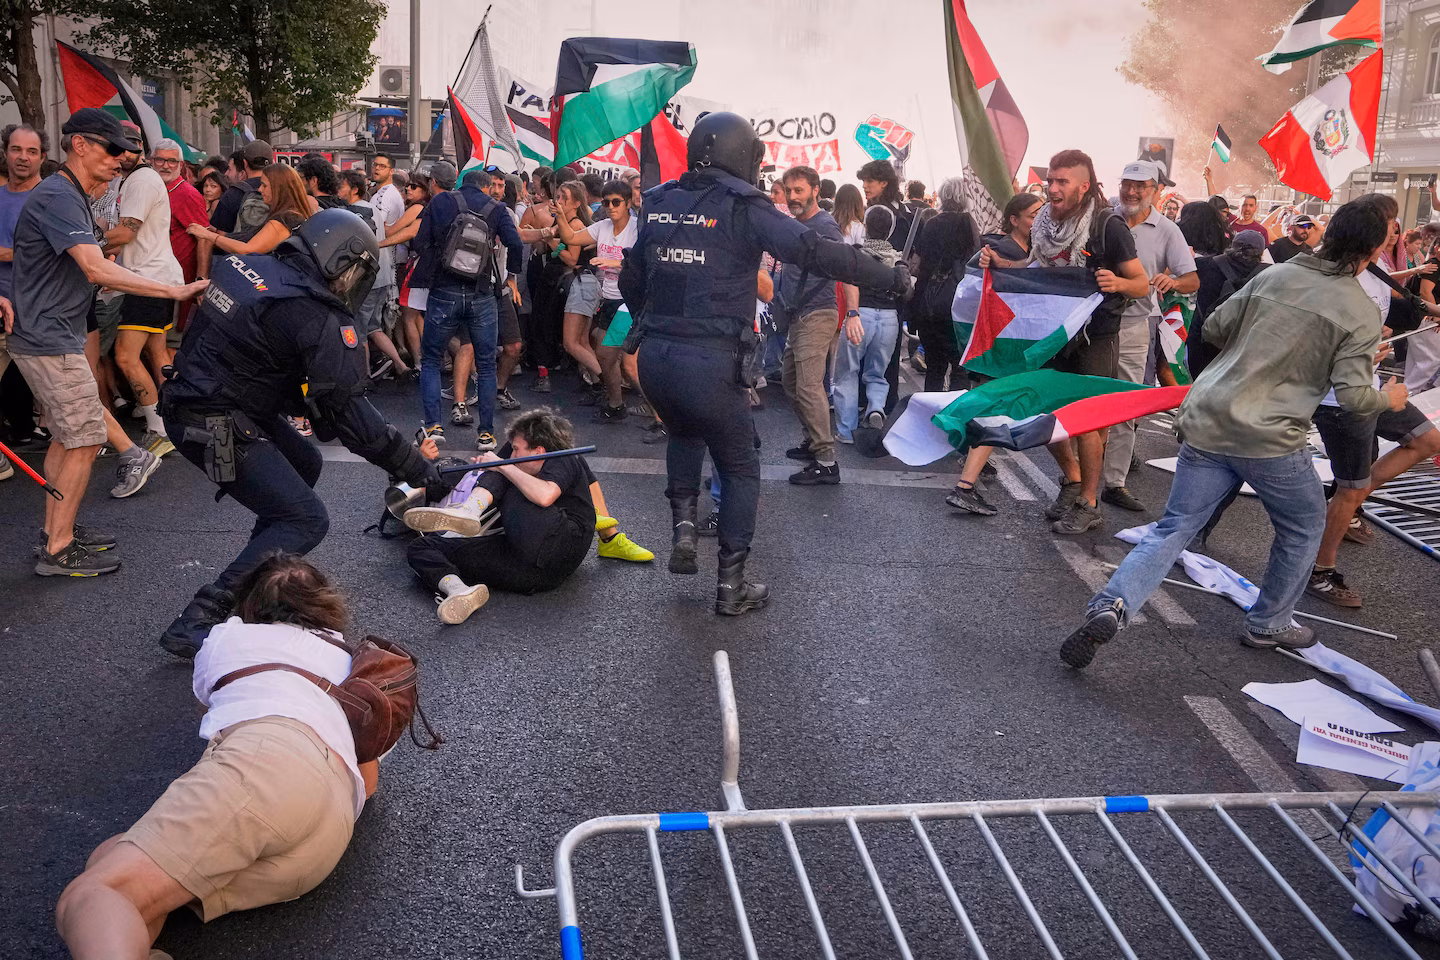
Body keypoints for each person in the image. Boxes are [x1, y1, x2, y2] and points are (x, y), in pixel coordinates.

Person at [1059, 198, 1407, 669]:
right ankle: (1269, 623)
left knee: (1173, 528)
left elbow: (1218, 327)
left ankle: (1111, 605)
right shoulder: (1360, 311)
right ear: (1372, 247)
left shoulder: (1273, 275)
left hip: (1208, 419)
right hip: (1269, 439)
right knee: (1304, 525)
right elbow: (1355, 399)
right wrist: (1392, 398)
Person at [620, 112, 909, 615]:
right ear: (744, 156)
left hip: (656, 359)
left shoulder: (661, 200)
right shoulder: (743, 205)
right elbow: (814, 251)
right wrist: (889, 276)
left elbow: (630, 278)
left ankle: (683, 531)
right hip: (710, 360)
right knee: (740, 464)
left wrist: (654, 322)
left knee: (684, 434)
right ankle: (731, 587)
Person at [56, 555, 380, 958]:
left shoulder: (229, 636)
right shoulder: (352, 660)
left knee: (94, 892)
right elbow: (368, 783)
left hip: (269, 761)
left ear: (247, 606)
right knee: (112, 860)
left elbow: (208, 703)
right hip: (325, 839)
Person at [158, 208, 442, 655]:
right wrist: (414, 466)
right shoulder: (312, 311)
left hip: (208, 402)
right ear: (337, 259)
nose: (350, 282)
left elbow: (262, 358)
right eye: (353, 271)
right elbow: (352, 418)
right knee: (305, 519)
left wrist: (316, 405)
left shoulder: (254, 268)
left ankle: (256, 587)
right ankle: (203, 615)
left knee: (304, 463)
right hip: (212, 420)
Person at [8, 109, 208, 576]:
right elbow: (95, 268)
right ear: (80, 145)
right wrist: (174, 289)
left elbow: (87, 262)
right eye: (112, 149)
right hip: (48, 337)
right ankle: (58, 549)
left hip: (50, 332)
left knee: (67, 436)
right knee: (84, 438)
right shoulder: (59, 194)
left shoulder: (67, 193)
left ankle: (57, 533)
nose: (122, 159)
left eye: (125, 153)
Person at [979, 149, 1149, 535]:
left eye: (1062, 182)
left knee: (1088, 422)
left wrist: (1119, 283)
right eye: (1050, 180)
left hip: (1094, 336)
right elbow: (1035, 267)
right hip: (1053, 333)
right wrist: (1003, 267)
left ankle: (1089, 502)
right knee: (1047, 412)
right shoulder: (1043, 221)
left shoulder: (1108, 225)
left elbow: (1141, 283)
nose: (1052, 188)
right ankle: (1072, 481)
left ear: (1083, 186)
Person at [404, 410, 618, 623]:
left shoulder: (564, 457)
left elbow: (545, 496)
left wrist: (503, 465)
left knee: (506, 469)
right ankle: (457, 589)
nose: (513, 454)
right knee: (421, 547)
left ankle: (469, 511)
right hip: (528, 570)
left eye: (517, 449)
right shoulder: (523, 461)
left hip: (559, 548)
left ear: (538, 450)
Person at [1100, 159, 1198, 513]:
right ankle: (1075, 482)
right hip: (1090, 325)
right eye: (1127, 183)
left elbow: (1192, 278)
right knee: (1086, 397)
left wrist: (1173, 281)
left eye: (1141, 186)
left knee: (1126, 402)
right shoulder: (1102, 216)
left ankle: (1114, 482)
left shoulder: (1168, 229)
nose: (1131, 191)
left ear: (1157, 191)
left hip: (1135, 325)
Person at [409, 168, 524, 452]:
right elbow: (517, 244)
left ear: (462, 185)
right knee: (485, 364)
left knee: (432, 358)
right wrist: (511, 275)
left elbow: (420, 241)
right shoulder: (496, 208)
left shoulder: (441, 202)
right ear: (486, 188)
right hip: (481, 293)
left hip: (444, 291)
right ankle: (485, 434)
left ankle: (434, 426)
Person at [941, 192, 1041, 518]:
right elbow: (971, 292)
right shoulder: (994, 249)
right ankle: (965, 485)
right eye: (1032, 214)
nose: (1038, 220)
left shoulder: (1035, 250)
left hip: (1016, 345)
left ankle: (970, 461)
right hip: (999, 344)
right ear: (1014, 219)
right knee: (995, 408)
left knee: (994, 406)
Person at [102, 141, 190, 458]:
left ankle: (159, 429)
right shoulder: (139, 178)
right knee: (157, 354)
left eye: (117, 150)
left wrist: (82, 243)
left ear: (137, 151)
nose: (112, 155)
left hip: (147, 280)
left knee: (125, 356)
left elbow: (126, 233)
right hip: (156, 277)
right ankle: (173, 421)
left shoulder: (140, 180)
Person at [774, 164, 848, 485]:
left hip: (816, 314)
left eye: (799, 190)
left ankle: (826, 461)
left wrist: (854, 314)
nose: (793, 197)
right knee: (791, 384)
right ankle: (813, 439)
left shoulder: (824, 226)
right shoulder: (796, 223)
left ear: (815, 191)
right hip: (798, 315)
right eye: (789, 191)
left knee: (808, 386)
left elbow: (846, 266)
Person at [553, 178, 637, 423]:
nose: (611, 207)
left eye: (617, 202)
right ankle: (615, 405)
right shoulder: (602, 227)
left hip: (627, 303)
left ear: (628, 203)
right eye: (607, 201)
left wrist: (614, 263)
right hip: (608, 300)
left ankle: (659, 415)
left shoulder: (638, 229)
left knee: (617, 361)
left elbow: (643, 262)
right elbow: (570, 236)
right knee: (607, 358)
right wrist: (560, 215)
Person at [833, 206, 906, 443]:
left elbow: (849, 282)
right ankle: (875, 407)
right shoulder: (897, 259)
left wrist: (852, 312)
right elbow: (907, 291)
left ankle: (846, 430)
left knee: (847, 372)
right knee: (877, 372)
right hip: (888, 319)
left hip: (860, 315)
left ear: (866, 226)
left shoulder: (857, 253)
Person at [0, 123, 47, 479]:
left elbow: (49, 253)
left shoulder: (48, 198)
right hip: (2, 308)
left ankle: (128, 450)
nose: (23, 157)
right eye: (16, 149)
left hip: (37, 311)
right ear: (6, 153)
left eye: (31, 151)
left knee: (66, 394)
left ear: (42, 157)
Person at [912, 177, 986, 394]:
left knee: (934, 366)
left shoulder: (932, 223)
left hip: (929, 301)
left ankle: (929, 412)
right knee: (959, 365)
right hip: (958, 302)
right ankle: (953, 415)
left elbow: (921, 262)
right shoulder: (967, 223)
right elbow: (974, 261)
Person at [152, 140, 213, 345]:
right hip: (155, 279)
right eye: (160, 159)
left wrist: (200, 279)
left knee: (169, 345)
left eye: (172, 161)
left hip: (179, 282)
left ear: (181, 165)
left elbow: (204, 238)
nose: (165, 165)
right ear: (152, 161)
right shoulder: (155, 189)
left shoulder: (187, 194)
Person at [1189, 231, 1268, 378]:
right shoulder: (1269, 273)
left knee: (1200, 382)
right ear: (1261, 252)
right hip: (1244, 342)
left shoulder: (1203, 265)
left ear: (1232, 245)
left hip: (1205, 339)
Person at [188, 163, 309, 256]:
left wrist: (208, 236)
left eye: (264, 185)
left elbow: (248, 249)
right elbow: (245, 238)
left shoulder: (284, 219)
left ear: (279, 189)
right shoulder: (288, 215)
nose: (260, 189)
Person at [210, 139, 271, 235]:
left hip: (239, 248)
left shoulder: (233, 193)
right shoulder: (281, 189)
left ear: (245, 163)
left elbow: (221, 236)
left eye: (229, 169)